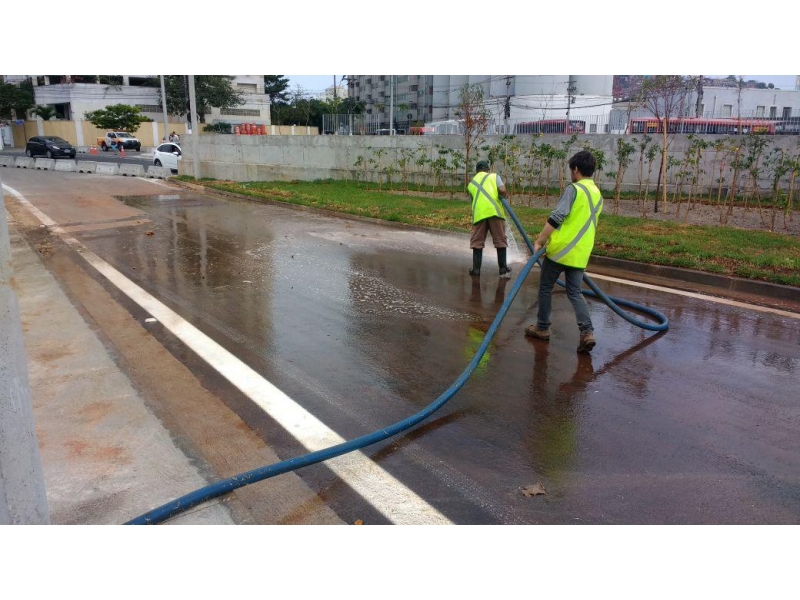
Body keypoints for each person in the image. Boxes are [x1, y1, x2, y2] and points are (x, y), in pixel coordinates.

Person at [525, 150, 604, 353]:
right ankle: (587, 332)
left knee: (545, 288)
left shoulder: (574, 189)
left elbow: (557, 217)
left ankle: (542, 328)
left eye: (571, 169)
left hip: (560, 251)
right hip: (580, 253)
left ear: (576, 169)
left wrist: (540, 241)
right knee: (575, 292)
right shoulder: (598, 194)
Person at [467, 159, 511, 278]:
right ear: (488, 169)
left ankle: (476, 270)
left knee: (477, 242)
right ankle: (503, 269)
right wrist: (503, 196)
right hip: (494, 213)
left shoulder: (471, 184)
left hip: (479, 215)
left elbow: (473, 200)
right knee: (500, 240)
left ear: (476, 171)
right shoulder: (494, 176)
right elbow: (502, 190)